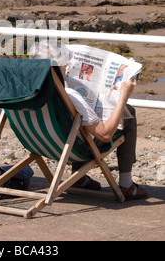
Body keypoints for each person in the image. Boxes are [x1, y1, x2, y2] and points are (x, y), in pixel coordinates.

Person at [29, 40, 147, 201]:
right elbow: (104, 135)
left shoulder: (25, 90)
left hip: (39, 144)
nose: (68, 68)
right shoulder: (70, 95)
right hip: (71, 148)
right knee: (129, 114)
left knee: (78, 123)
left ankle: (78, 178)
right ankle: (126, 184)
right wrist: (123, 97)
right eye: (65, 65)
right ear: (58, 68)